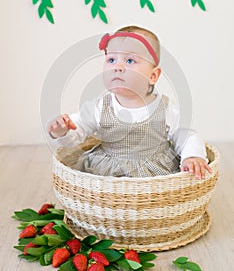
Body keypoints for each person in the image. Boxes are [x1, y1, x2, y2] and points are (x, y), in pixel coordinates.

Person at [48, 25, 212, 179]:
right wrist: (62, 130)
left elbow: (185, 134)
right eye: (111, 60)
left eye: (130, 61)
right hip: (107, 171)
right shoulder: (100, 106)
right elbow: (78, 129)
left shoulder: (165, 108)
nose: (118, 67)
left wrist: (192, 157)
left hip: (152, 172)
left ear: (153, 76)